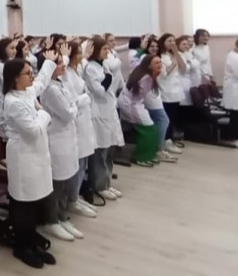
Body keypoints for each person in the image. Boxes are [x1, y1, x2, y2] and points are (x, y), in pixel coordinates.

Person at [3, 55, 59, 267]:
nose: (32, 75)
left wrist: (50, 61)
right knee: (22, 203)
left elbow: (42, 81)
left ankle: (32, 242)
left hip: (35, 155)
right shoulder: (13, 101)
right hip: (22, 157)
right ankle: (22, 247)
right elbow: (33, 131)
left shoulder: (26, 92)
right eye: (27, 73)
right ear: (15, 78)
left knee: (34, 201)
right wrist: (43, 112)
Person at [39, 54, 85, 242]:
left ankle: (62, 216)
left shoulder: (60, 83)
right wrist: (76, 104)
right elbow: (68, 113)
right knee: (57, 183)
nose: (63, 65)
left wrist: (74, 104)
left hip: (67, 138)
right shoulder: (50, 89)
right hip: (57, 140)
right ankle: (51, 221)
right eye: (58, 64)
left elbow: (71, 106)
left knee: (67, 179)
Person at [83, 37, 124, 200]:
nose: (108, 52)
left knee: (109, 150)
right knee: (100, 152)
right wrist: (108, 78)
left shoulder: (104, 65)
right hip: (98, 113)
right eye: (105, 49)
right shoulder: (90, 68)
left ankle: (107, 182)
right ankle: (99, 185)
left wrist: (108, 77)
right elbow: (99, 91)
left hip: (108, 111)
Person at [62, 43, 98, 218]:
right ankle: (72, 199)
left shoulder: (77, 69)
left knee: (83, 162)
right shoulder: (66, 73)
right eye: (77, 53)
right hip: (76, 120)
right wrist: (85, 97)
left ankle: (75, 195)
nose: (81, 56)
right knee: (77, 163)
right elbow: (71, 100)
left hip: (84, 120)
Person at [119, 55, 164, 167]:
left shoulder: (143, 73)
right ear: (149, 65)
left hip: (133, 103)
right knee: (149, 130)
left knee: (152, 130)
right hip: (132, 105)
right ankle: (140, 157)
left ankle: (148, 155)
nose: (160, 65)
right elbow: (139, 97)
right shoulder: (146, 78)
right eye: (156, 63)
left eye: (160, 62)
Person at [156, 33, 187, 153]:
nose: (172, 43)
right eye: (169, 41)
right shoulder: (160, 56)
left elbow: (183, 69)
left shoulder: (176, 54)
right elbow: (164, 74)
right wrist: (173, 63)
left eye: (173, 41)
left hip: (176, 90)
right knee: (167, 117)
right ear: (163, 42)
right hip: (165, 89)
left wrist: (176, 54)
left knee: (173, 116)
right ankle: (165, 140)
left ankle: (170, 138)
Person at [0, 37, 18, 138]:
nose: (15, 51)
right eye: (12, 48)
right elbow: (12, 85)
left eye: (15, 48)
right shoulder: (0, 66)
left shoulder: (10, 63)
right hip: (3, 105)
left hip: (10, 104)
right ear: (3, 49)